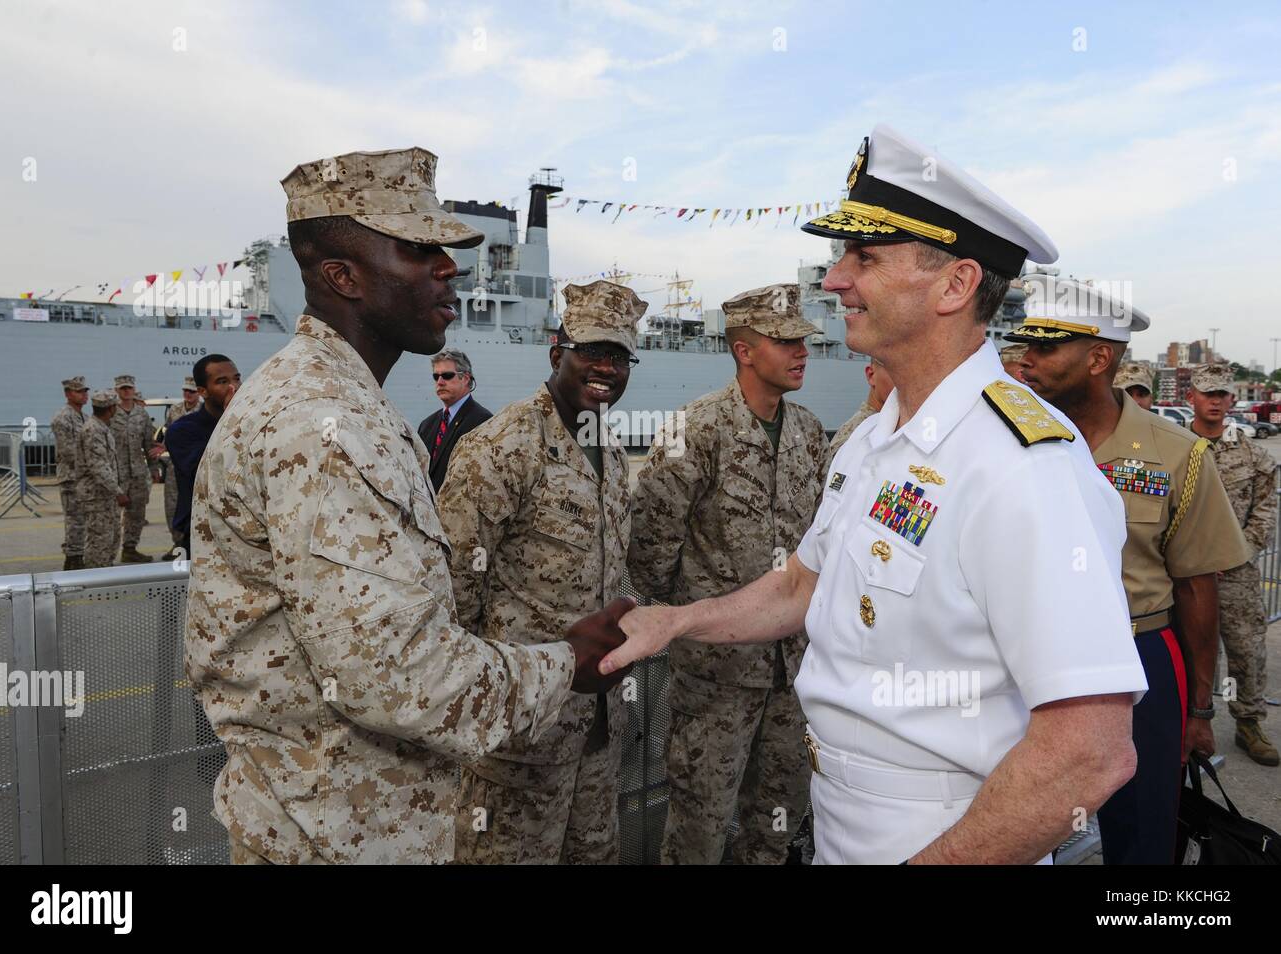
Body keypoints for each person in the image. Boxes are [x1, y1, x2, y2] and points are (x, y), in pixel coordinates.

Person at [600, 124, 1149, 865]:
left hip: (956, 834)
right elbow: (802, 585)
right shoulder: (872, 441)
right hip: (841, 823)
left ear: (955, 284)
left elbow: (1090, 752)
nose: (834, 281)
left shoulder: (1024, 465)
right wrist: (675, 621)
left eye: (864, 257)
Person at [183, 146, 630, 865]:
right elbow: (399, 677)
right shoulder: (324, 424)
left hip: (354, 821)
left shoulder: (346, 403)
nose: (449, 267)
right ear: (342, 276)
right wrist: (566, 661)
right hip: (336, 835)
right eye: (420, 251)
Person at [1008, 278, 1251, 863]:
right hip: (1021, 657)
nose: (1026, 360)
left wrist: (1197, 709)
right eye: (1026, 346)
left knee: (1142, 829)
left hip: (1138, 658)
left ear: (1098, 358)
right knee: (1011, 820)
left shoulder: (1176, 453)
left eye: (1046, 348)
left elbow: (1196, 588)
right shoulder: (1004, 439)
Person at [438, 280, 644, 864]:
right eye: (592, 351)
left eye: (620, 356)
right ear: (558, 354)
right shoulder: (501, 448)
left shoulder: (604, 443)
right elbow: (453, 588)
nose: (606, 367)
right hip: (522, 730)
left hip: (598, 721)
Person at [626, 282, 827, 865]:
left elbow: (820, 540)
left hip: (792, 673)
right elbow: (651, 549)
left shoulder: (810, 434)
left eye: (803, 341)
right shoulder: (698, 430)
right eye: (785, 340)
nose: (801, 352)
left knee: (776, 820)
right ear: (744, 350)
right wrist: (692, 620)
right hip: (716, 676)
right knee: (699, 826)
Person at [1187, 363, 1278, 766]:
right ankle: (1190, 722)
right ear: (1191, 397)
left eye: (1222, 394)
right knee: (1191, 649)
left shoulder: (1253, 455)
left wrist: (1232, 555)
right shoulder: (1173, 448)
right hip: (1186, 573)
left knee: (1245, 650)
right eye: (1208, 393)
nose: (1215, 401)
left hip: (1236, 574)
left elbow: (1265, 513)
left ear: (1232, 399)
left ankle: (1248, 723)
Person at [165, 356, 240, 559]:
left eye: (237, 378)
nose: (234, 386)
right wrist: (232, 421)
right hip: (202, 533)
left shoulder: (250, 425)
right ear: (202, 391)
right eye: (222, 382)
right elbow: (205, 470)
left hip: (244, 533)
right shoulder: (182, 430)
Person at [417, 348, 492, 493]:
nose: (440, 382)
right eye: (436, 376)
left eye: (447, 375)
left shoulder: (483, 422)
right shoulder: (427, 425)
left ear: (465, 378)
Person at [77, 390, 128, 569]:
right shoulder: (93, 430)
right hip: (96, 495)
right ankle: (95, 578)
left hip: (104, 494)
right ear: (111, 408)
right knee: (99, 539)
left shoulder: (101, 427)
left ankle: (105, 571)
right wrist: (118, 491)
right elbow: (98, 466)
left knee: (110, 537)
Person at [109, 374, 155, 562]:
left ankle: (130, 548)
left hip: (137, 472)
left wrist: (153, 468)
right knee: (111, 515)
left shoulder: (141, 414)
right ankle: (108, 552)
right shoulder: (111, 413)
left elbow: (148, 443)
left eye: (129, 388)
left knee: (136, 513)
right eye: (122, 388)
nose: (126, 391)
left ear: (134, 390)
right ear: (117, 391)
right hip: (116, 473)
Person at [51, 376, 90, 570]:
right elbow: (68, 451)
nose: (84, 395)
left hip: (82, 477)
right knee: (74, 519)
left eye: (85, 391)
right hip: (71, 477)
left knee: (82, 518)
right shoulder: (62, 418)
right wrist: (91, 462)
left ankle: (78, 554)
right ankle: (72, 558)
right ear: (68, 394)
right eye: (79, 391)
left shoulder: (84, 416)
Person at [829, 358, 894, 459]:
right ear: (871, 375)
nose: (903, 381)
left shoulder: (894, 424)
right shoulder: (852, 438)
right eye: (894, 371)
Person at [162, 376, 201, 544]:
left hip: (195, 467)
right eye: (185, 390)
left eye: (191, 391)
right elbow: (169, 433)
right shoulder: (175, 410)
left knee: (194, 505)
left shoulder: (203, 411)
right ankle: (177, 542)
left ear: (199, 392)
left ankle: (194, 542)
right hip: (175, 466)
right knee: (172, 505)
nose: (188, 394)